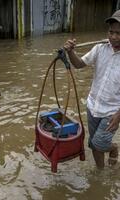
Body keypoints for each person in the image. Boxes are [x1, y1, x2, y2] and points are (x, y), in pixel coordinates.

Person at [64, 9, 120, 169]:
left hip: (112, 111)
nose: (114, 37)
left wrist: (119, 115)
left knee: (99, 144)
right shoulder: (99, 49)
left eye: (118, 33)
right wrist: (70, 52)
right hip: (93, 105)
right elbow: (79, 64)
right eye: (111, 32)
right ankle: (100, 172)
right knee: (93, 144)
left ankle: (113, 148)